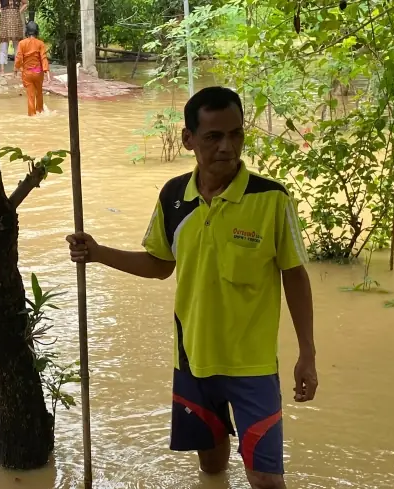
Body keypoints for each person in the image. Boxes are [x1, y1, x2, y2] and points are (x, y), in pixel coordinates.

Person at [66, 87, 317, 489]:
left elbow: (295, 276)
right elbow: (159, 265)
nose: (226, 147)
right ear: (188, 140)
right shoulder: (173, 198)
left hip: (252, 367)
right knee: (212, 470)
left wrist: (307, 353)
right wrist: (98, 253)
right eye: (213, 137)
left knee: (267, 480)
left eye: (235, 134)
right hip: (193, 362)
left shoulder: (270, 199)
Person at [14, 21, 50, 116]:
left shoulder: (22, 43)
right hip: (38, 73)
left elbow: (19, 58)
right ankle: (40, 112)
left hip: (27, 74)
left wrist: (15, 69)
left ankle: (32, 115)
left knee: (30, 96)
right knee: (39, 93)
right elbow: (43, 57)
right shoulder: (40, 43)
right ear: (37, 32)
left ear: (27, 32)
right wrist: (47, 72)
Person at [0, 0, 28, 74]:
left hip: (16, 20)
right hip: (5, 19)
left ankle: (19, 67)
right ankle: (2, 69)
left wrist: (19, 11)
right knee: (3, 45)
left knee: (17, 46)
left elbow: (26, 3)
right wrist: (1, 11)